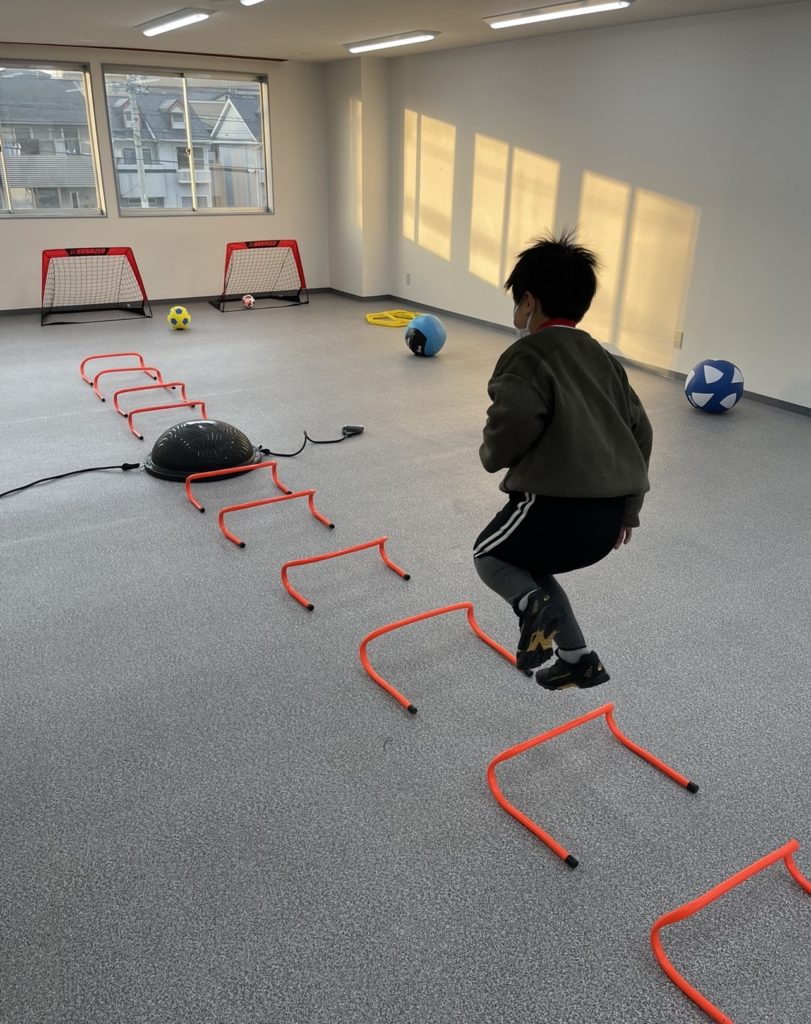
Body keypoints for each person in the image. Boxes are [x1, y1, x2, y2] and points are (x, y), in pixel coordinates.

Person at [473, 229, 652, 691]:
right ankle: (578, 659)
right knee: (530, 566)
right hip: (605, 525)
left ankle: (531, 607)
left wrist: (491, 454)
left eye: (517, 303)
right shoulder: (606, 361)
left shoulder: (527, 355)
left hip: (554, 510)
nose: (516, 314)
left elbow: (513, 421)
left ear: (529, 302)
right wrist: (629, 510)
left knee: (489, 553)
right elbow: (642, 431)